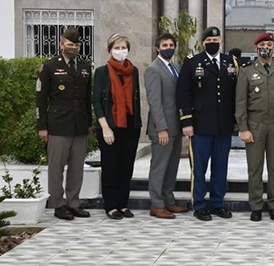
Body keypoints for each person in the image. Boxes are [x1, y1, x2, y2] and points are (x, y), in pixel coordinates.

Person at [177, 26, 239, 221]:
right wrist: (186, 121)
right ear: (203, 42)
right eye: (209, 41)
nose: (213, 43)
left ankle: (217, 203)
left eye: (217, 40)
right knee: (200, 168)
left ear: (221, 41)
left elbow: (236, 93)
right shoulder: (192, 63)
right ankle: (200, 204)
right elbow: (183, 94)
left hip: (224, 125)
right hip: (200, 125)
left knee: (221, 167)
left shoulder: (231, 62)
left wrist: (237, 120)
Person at [235, 32, 274, 222]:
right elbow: (240, 102)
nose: (267, 48)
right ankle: (255, 205)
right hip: (255, 125)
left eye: (270, 45)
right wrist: (243, 127)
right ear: (256, 48)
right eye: (263, 45)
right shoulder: (246, 71)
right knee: (255, 168)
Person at [36, 26, 93, 221]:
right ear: (61, 44)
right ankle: (58, 204)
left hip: (80, 123)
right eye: (70, 44)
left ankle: (73, 202)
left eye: (76, 44)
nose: (73, 47)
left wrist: (89, 123)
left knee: (77, 167)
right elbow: (41, 100)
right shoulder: (49, 66)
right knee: (56, 167)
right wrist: (42, 126)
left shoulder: (85, 67)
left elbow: (87, 98)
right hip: (58, 124)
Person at [93, 34, 142, 220]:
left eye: (123, 47)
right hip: (110, 125)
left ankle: (123, 204)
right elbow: (97, 101)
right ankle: (111, 205)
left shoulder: (134, 70)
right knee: (111, 166)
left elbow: (134, 99)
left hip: (130, 125)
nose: (120, 51)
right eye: (117, 47)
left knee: (126, 166)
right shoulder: (101, 72)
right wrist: (105, 127)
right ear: (110, 49)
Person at [144, 33, 189, 219]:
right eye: (165, 45)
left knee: (172, 166)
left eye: (171, 44)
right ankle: (157, 204)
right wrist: (161, 128)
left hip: (175, 126)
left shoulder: (174, 67)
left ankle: (168, 200)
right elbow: (155, 102)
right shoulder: (154, 69)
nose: (168, 47)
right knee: (159, 166)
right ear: (157, 47)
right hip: (162, 128)